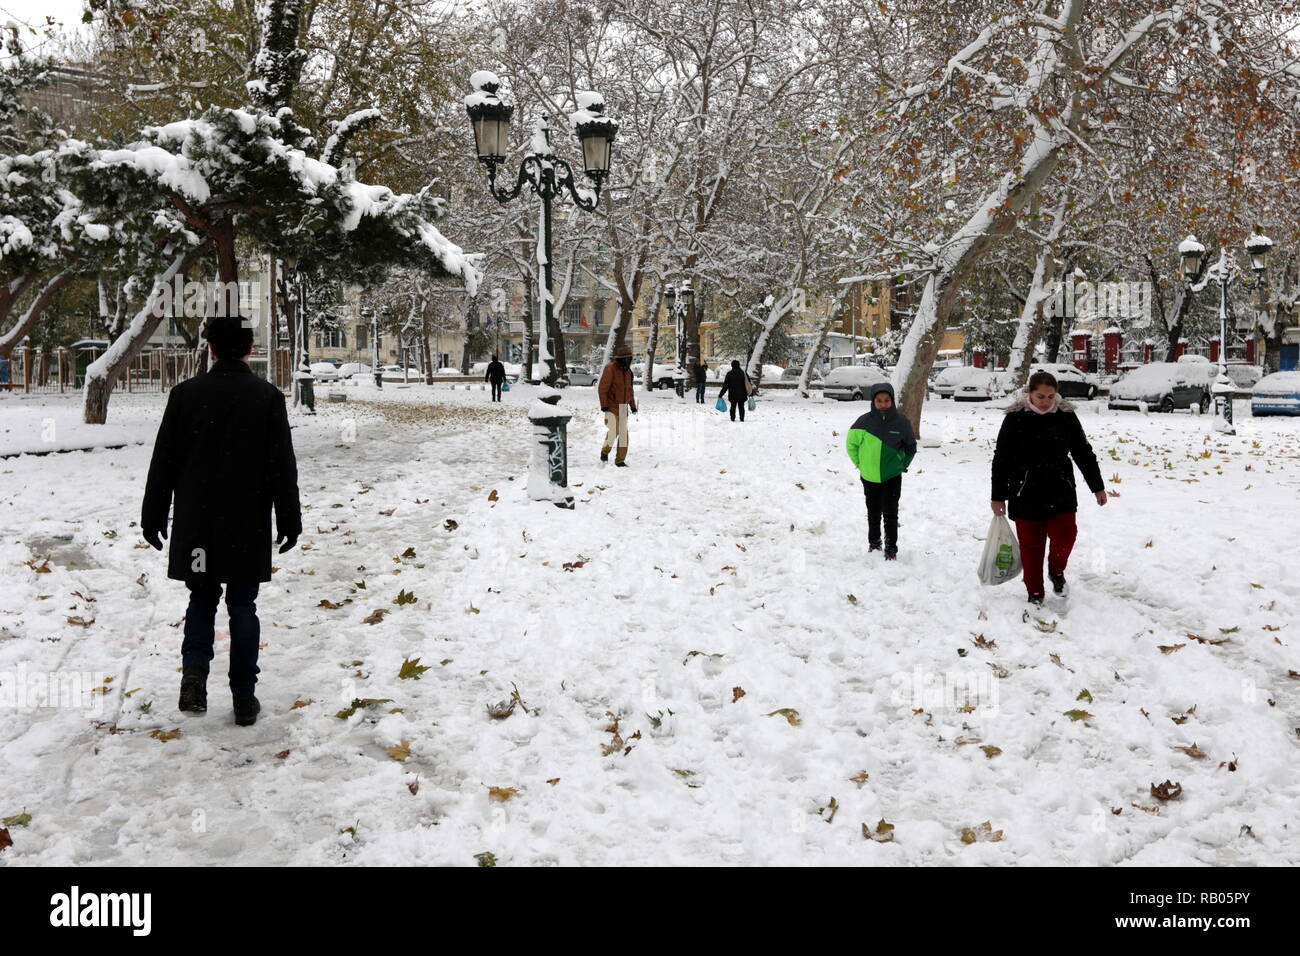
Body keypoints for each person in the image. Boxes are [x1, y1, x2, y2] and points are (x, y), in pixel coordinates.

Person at [141, 315, 302, 726]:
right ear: (249, 349)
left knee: (202, 598)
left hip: (198, 523)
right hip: (246, 523)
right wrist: (289, 517)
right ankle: (244, 696)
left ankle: (194, 674)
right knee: (243, 604)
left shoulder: (185, 395)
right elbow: (281, 466)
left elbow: (164, 462)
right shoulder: (266, 397)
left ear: (211, 348)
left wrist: (153, 514)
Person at [991, 369, 1106, 606]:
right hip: (1025, 491)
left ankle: (1056, 571)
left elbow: (1083, 452)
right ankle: (1035, 591)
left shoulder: (1065, 416)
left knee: (1066, 536)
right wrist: (998, 496)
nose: (1045, 402)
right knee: (1031, 546)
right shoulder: (1015, 418)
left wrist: (1097, 487)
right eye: (1041, 396)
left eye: (1050, 396)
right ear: (1029, 394)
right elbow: (1001, 458)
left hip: (1060, 488)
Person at [845, 382, 917, 559]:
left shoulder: (902, 423)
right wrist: (861, 464)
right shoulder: (862, 422)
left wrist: (902, 464)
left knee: (891, 514)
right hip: (869, 477)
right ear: (873, 401)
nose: (883, 404)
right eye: (879, 400)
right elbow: (851, 445)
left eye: (886, 400)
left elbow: (910, 447)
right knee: (873, 512)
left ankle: (891, 548)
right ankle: (874, 543)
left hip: (892, 477)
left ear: (892, 401)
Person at [598, 343, 638, 465]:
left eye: (628, 358)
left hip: (623, 408)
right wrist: (604, 405)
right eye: (624, 358)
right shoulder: (610, 368)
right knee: (613, 431)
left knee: (624, 435)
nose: (626, 361)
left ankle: (620, 460)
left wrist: (633, 406)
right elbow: (602, 388)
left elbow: (629, 390)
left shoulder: (629, 373)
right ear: (619, 359)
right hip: (611, 406)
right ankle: (605, 452)